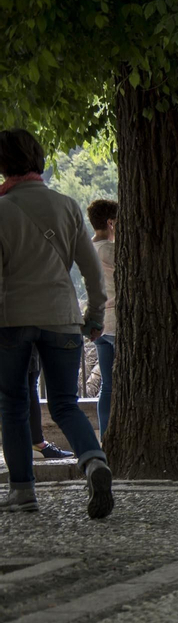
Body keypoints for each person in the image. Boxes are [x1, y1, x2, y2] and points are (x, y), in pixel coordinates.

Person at [0, 127, 114, 517]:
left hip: (11, 321)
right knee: (65, 403)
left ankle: (23, 491)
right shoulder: (67, 206)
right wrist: (94, 315)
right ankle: (94, 461)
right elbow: (92, 272)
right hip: (63, 319)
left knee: (13, 404)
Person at [86, 198, 118, 436]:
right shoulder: (113, 250)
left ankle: (106, 436)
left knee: (107, 386)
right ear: (111, 223)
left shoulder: (88, 249)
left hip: (99, 323)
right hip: (117, 321)